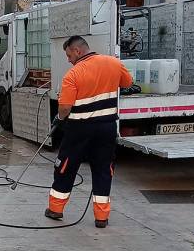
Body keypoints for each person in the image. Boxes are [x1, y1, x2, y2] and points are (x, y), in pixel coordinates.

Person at [45, 36, 133, 228]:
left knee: (66, 166)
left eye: (69, 55)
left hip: (79, 129)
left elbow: (65, 108)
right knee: (103, 169)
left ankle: (55, 209)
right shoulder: (114, 63)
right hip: (107, 128)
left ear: (77, 51)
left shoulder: (73, 75)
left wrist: (59, 120)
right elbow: (127, 83)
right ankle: (101, 218)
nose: (68, 59)